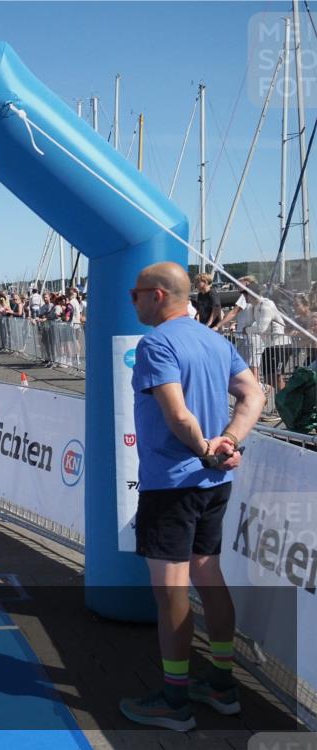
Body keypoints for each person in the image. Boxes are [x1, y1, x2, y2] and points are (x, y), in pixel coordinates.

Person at [120, 262, 264, 731]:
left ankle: (174, 700)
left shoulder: (156, 344)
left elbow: (178, 415)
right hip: (212, 483)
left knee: (171, 592)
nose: (132, 300)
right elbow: (254, 394)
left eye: (136, 293)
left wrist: (207, 449)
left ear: (157, 295)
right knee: (208, 575)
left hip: (173, 484)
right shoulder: (215, 341)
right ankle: (221, 684)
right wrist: (228, 443)